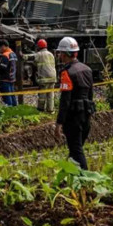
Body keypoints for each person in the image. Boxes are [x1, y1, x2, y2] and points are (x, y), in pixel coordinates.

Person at [53, 37, 95, 169]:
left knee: (76, 151)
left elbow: (65, 100)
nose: (59, 55)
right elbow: (90, 94)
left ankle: (85, 179)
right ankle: (70, 177)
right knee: (75, 151)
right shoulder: (87, 69)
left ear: (65, 54)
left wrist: (59, 123)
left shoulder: (66, 72)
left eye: (60, 53)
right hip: (86, 115)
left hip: (73, 118)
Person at [35, 39, 57, 113]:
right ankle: (50, 110)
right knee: (51, 94)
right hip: (53, 77)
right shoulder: (51, 54)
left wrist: (23, 56)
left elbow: (34, 60)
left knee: (42, 95)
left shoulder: (39, 54)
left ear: (38, 46)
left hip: (45, 78)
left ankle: (41, 109)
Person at [0, 41, 18, 106]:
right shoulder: (13, 54)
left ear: (4, 46)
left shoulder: (5, 55)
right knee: (12, 95)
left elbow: (3, 67)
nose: (0, 49)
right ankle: (15, 109)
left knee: (7, 96)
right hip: (12, 78)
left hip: (5, 79)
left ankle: (9, 110)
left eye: (0, 47)